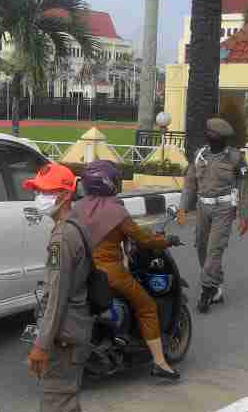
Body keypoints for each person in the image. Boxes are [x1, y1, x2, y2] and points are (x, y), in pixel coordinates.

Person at [16, 162, 104, 412]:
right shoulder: (73, 226)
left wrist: (41, 343)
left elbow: (57, 297)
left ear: (65, 195)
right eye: (37, 191)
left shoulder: (62, 237)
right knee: (64, 393)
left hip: (65, 330)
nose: (39, 197)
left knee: (54, 397)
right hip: (75, 325)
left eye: (45, 192)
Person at [73, 160, 183, 381]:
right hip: (109, 274)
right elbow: (143, 239)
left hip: (78, 271)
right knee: (147, 306)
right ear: (109, 183)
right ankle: (160, 363)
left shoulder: (77, 208)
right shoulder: (117, 212)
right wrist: (166, 241)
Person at [177, 118, 248, 313]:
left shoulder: (235, 158)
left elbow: (244, 188)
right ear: (209, 136)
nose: (215, 139)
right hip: (203, 207)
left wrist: (244, 216)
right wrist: (182, 208)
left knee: (214, 249)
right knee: (201, 246)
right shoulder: (199, 155)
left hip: (224, 208)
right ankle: (216, 284)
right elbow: (190, 183)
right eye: (212, 136)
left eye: (219, 137)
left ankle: (207, 289)